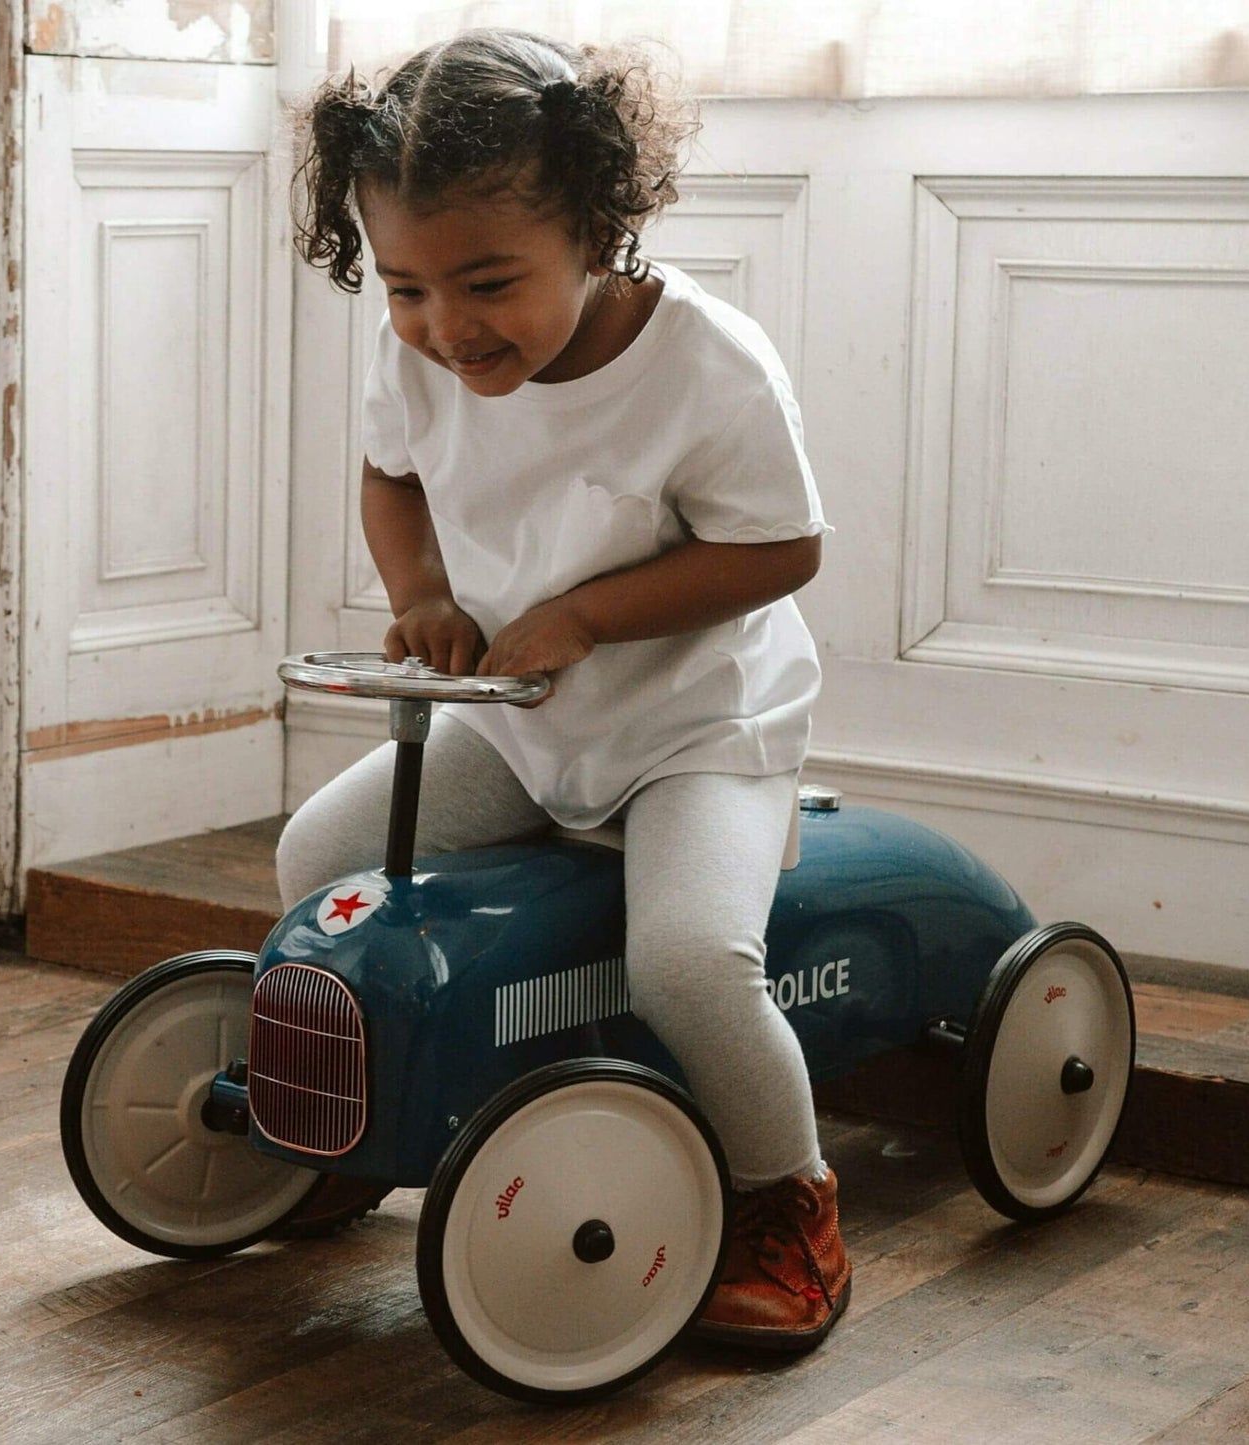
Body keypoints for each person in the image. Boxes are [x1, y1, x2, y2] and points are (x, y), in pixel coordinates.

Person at [280, 27, 849, 1352]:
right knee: (322, 857)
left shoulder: (705, 362)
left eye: (486, 283)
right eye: (407, 286)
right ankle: (368, 1121)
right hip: (527, 722)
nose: (444, 328)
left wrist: (587, 612)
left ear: (597, 224)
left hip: (699, 728)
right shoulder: (416, 348)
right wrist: (419, 589)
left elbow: (783, 547)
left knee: (688, 965)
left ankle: (790, 1196)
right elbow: (391, 472)